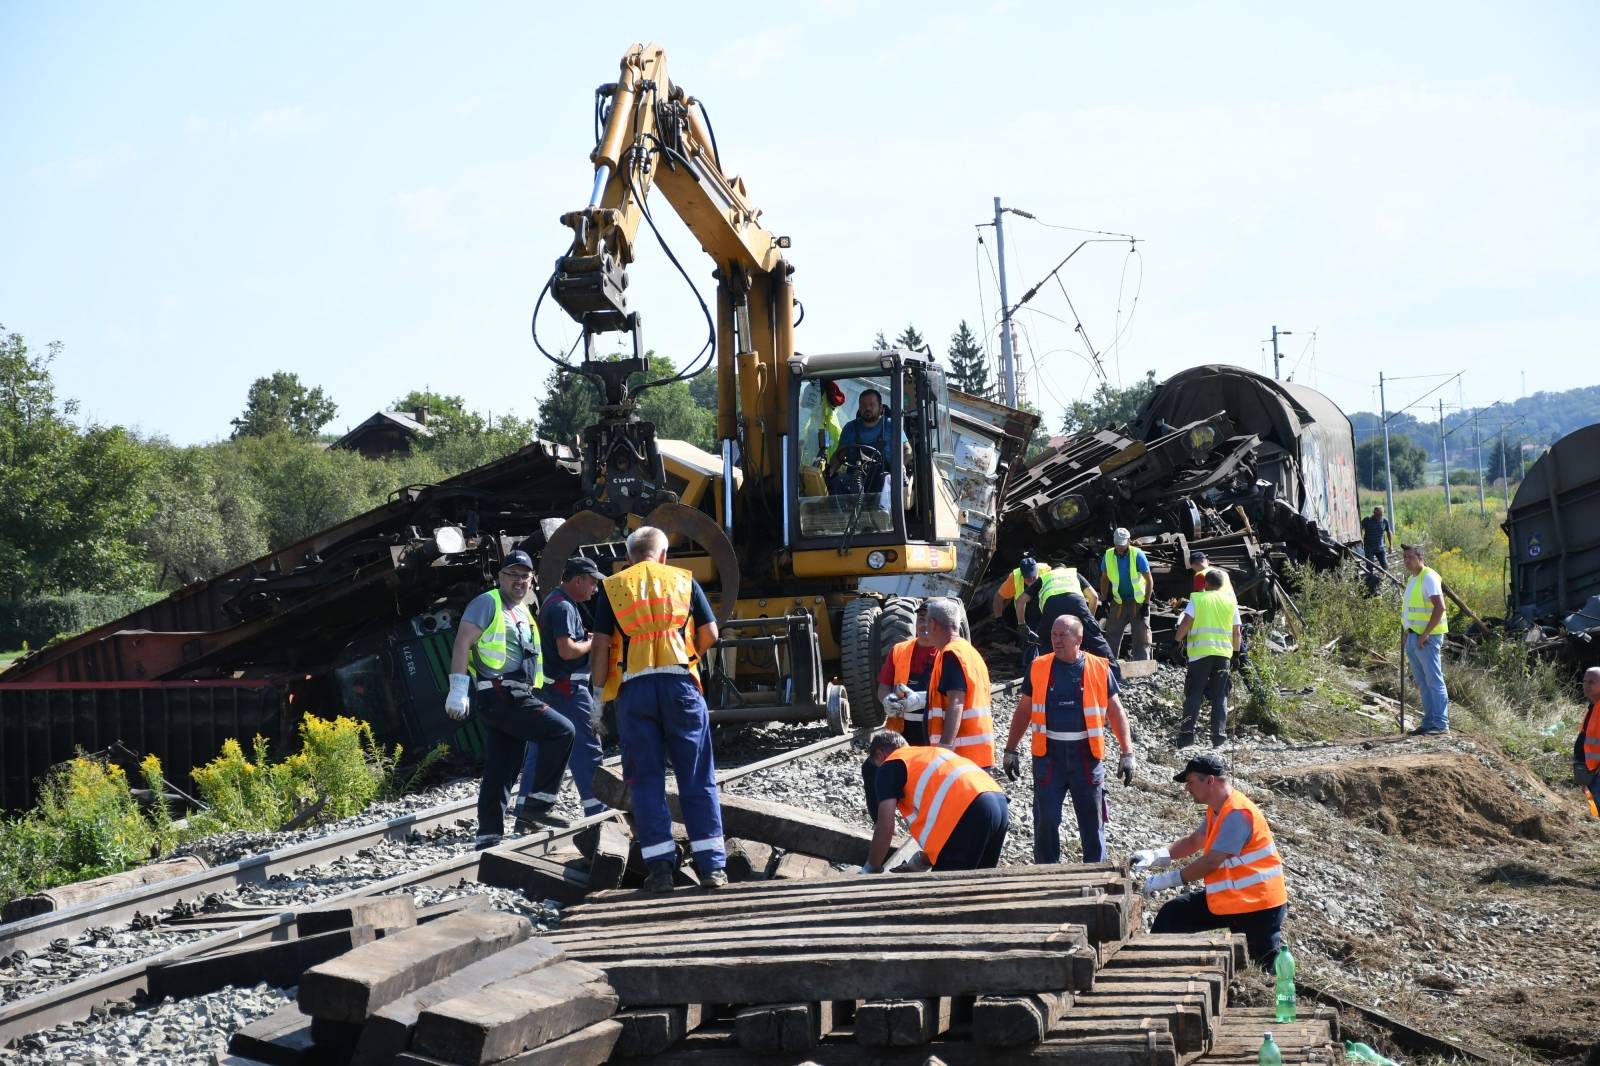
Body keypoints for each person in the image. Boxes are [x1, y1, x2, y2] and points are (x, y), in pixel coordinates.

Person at [590, 526, 726, 891]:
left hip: (635, 690)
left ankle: (661, 869)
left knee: (645, 781)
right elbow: (711, 633)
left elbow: (601, 645)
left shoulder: (613, 587)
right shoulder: (684, 580)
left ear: (630, 557)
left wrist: (598, 697)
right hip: (679, 683)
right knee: (696, 776)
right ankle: (712, 867)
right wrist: (689, 655)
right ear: (663, 555)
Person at [445, 550, 575, 849]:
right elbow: (463, 641)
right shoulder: (488, 602)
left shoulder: (522, 610)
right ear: (499, 577)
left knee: (503, 765)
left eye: (525, 575)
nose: (519, 581)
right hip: (502, 693)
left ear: (532, 580)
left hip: (512, 693)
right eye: (512, 574)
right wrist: (458, 687)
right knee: (562, 731)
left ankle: (488, 836)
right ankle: (538, 805)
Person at [1001, 615, 1137, 865]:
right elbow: (1024, 710)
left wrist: (1127, 753)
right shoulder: (1039, 666)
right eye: (1054, 634)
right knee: (1046, 820)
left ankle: (1095, 872)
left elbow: (1115, 710)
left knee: (1091, 820)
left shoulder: (1098, 668)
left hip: (1086, 757)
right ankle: (1047, 873)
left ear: (1079, 639)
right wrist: (1011, 749)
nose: (1056, 640)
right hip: (1049, 757)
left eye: (1063, 635)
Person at [1134, 753, 1288, 968]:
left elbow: (1210, 862)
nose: (1187, 789)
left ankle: (1277, 996)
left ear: (1210, 781)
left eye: (1190, 782)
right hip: (1233, 899)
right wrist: (1157, 855)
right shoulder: (1217, 809)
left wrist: (1167, 880)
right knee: (1173, 914)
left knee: (1263, 967)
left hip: (1258, 906)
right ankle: (1152, 967)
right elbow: (1195, 840)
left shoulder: (1237, 814)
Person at [517, 556, 609, 824]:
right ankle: (598, 810)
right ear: (578, 579)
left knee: (541, 747)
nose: (594, 589)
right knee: (588, 747)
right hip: (570, 690)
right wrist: (592, 643)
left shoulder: (554, 601)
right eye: (592, 583)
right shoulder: (563, 608)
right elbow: (567, 650)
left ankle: (526, 812)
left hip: (552, 688)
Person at [860, 730, 1009, 872]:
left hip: (971, 810)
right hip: (999, 804)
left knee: (947, 892)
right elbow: (944, 818)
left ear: (880, 755)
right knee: (981, 886)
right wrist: (923, 861)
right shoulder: (930, 754)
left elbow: (885, 825)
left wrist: (870, 868)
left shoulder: (891, 763)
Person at [915, 598, 996, 768]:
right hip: (976, 753)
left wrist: (945, 748)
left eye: (927, 622)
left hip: (961, 757)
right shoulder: (968, 652)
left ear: (933, 624)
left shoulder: (951, 654)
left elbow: (956, 702)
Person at [994, 555, 1106, 668]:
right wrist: (1000, 618)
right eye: (1028, 579)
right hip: (1026, 610)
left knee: (1049, 638)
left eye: (1034, 577)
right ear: (1022, 575)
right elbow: (999, 597)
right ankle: (1030, 669)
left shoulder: (1047, 570)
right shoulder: (1014, 577)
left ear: (1037, 570)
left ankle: (1054, 665)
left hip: (1047, 609)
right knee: (1028, 640)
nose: (1032, 581)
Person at [1173, 569, 1244, 749]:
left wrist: (1176, 641)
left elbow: (1186, 622)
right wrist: (1236, 655)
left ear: (1206, 583)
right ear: (1222, 585)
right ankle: (1218, 737)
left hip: (1200, 655)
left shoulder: (1198, 599)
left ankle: (1187, 735)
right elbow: (1237, 632)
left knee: (1194, 694)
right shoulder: (1231, 602)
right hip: (1223, 655)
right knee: (1220, 696)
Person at [1400, 543, 1450, 735]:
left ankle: (1440, 723)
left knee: (1434, 680)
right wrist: (1407, 634)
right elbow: (1411, 612)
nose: (1406, 561)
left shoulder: (1428, 576)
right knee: (1423, 682)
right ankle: (1429, 722)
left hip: (1427, 638)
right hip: (1414, 636)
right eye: (1404, 557)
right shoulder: (1414, 579)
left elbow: (1440, 607)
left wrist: (1426, 633)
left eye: (1410, 557)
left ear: (1420, 558)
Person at [827, 388, 895, 495]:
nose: (867, 408)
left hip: (882, 475)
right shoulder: (850, 428)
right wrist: (830, 470)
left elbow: (906, 451)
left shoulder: (892, 426)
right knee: (837, 482)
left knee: (886, 482)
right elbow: (839, 454)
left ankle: (883, 512)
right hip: (855, 476)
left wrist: (901, 466)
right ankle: (841, 512)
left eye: (871, 404)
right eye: (863, 405)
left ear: (880, 407)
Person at [1099, 528, 1152, 661]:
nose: (1119, 547)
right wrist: (1104, 600)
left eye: (1122, 544)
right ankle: (1110, 664)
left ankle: (1142, 666)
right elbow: (1104, 578)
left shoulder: (1137, 555)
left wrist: (1146, 603)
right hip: (1119, 602)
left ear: (1129, 541)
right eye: (1117, 544)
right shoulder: (1108, 555)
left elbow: (1149, 580)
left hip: (1138, 602)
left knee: (1141, 635)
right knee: (1112, 634)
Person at [1572, 667, 1600, 815]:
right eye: (1585, 681)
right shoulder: (1593, 705)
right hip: (1591, 770)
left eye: (1592, 682)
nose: (1586, 685)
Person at [1361, 506, 1392, 593]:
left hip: (1380, 548)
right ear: (1374, 513)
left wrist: (1390, 545)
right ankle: (1369, 587)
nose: (1378, 516)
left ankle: (1385, 582)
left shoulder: (1384, 521)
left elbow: (1389, 532)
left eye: (1380, 515)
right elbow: (1360, 528)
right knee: (1369, 566)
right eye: (1377, 514)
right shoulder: (1367, 520)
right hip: (1369, 547)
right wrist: (1360, 538)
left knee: (1385, 566)